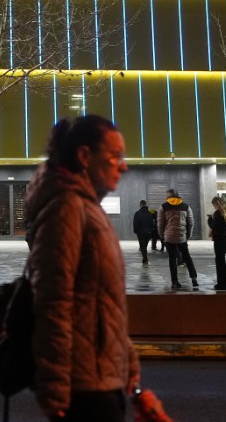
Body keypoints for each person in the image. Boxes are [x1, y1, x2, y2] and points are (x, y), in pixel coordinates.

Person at [25, 115, 139, 422]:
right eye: (115, 156)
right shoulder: (67, 208)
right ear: (85, 156)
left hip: (102, 376)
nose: (123, 166)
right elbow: (53, 303)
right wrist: (55, 386)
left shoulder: (88, 207)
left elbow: (99, 299)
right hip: (84, 390)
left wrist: (126, 357)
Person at [161, 189, 198, 289]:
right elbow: (191, 222)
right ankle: (194, 279)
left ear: (169, 196)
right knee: (187, 257)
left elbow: (160, 223)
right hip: (182, 237)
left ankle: (174, 281)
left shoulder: (163, 207)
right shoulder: (186, 207)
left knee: (172, 259)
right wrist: (188, 235)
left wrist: (162, 235)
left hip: (169, 237)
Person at [208, 196, 226, 291]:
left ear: (217, 203)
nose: (214, 207)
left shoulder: (218, 213)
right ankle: (225, 283)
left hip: (219, 240)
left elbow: (214, 226)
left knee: (220, 262)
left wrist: (210, 219)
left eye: (214, 205)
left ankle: (222, 284)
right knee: (221, 261)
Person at [132, 200, 153, 265]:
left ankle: (145, 259)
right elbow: (151, 223)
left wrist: (135, 230)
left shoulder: (137, 213)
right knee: (145, 245)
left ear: (140, 205)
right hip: (148, 232)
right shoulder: (150, 213)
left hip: (140, 232)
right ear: (145, 204)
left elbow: (135, 223)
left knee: (142, 246)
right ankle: (145, 259)